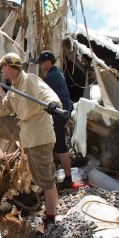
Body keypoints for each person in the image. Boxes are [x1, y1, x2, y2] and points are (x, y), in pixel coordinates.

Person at [0, 52, 61, 228]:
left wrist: (53, 104)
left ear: (8, 66)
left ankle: (51, 218)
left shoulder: (30, 80)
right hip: (24, 130)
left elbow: (49, 95)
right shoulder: (13, 88)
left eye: (2, 67)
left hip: (38, 136)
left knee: (46, 181)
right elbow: (2, 113)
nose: (1, 71)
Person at [37, 50, 74, 189]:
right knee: (56, 146)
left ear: (47, 62)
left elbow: (39, 93)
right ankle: (55, 175)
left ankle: (68, 178)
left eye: (41, 63)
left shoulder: (51, 76)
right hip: (61, 114)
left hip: (58, 116)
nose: (40, 66)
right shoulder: (57, 73)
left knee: (60, 147)